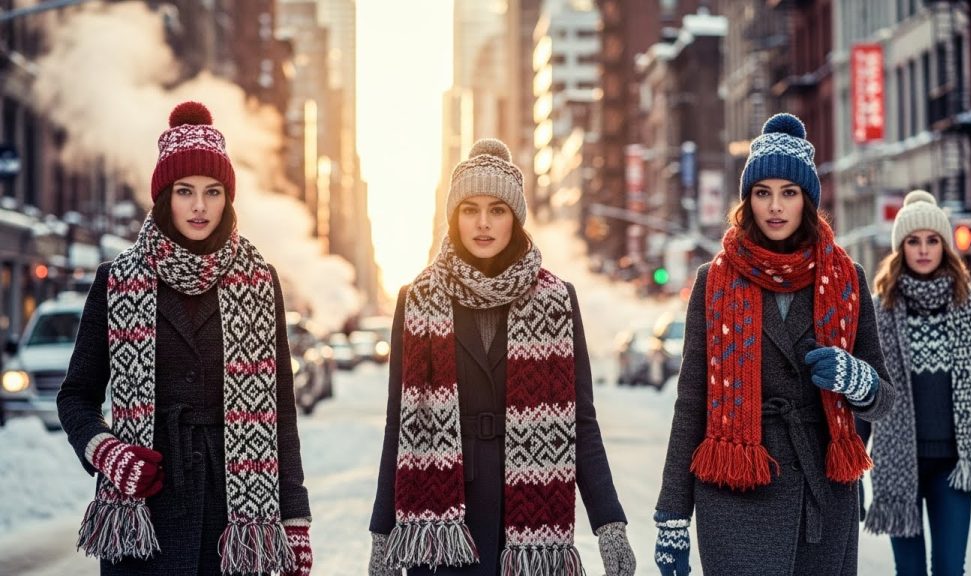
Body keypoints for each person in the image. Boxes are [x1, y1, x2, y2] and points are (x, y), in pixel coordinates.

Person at [57, 101, 312, 576]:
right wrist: (109, 454)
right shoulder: (117, 281)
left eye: (213, 192)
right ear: (164, 197)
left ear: (227, 199)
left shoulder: (259, 282)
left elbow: (281, 411)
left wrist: (294, 518)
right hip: (147, 503)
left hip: (237, 513)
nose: (199, 206)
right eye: (185, 191)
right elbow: (76, 397)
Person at [367, 138, 635, 576]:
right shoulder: (417, 299)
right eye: (470, 209)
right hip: (444, 525)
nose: (483, 223)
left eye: (497, 209)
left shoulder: (556, 300)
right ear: (454, 217)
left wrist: (609, 523)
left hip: (526, 519)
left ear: (516, 217)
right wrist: (383, 531)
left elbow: (579, 421)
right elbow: (400, 423)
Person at [653, 113, 895, 576]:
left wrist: (854, 377)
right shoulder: (713, 282)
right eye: (763, 193)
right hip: (734, 492)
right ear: (748, 201)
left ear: (807, 199)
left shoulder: (846, 281)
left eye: (789, 192)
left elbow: (883, 397)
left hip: (819, 492)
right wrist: (672, 515)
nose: (776, 207)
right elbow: (691, 403)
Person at [861, 190, 971, 575]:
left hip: (953, 465)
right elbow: (867, 398)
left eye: (932, 240)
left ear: (945, 246)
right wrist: (852, 469)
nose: (924, 250)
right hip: (899, 467)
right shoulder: (879, 311)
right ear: (901, 248)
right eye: (913, 241)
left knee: (949, 568)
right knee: (909, 573)